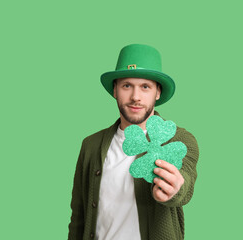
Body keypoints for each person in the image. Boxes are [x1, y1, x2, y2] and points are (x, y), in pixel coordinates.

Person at [68, 44, 199, 240]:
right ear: (115, 90)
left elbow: (185, 181)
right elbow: (79, 215)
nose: (135, 97)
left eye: (145, 87)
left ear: (158, 92)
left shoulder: (179, 139)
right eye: (127, 85)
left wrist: (175, 189)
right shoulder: (91, 145)